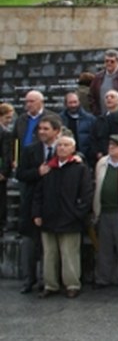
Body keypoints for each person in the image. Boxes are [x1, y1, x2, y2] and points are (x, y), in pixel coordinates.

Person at [33, 135, 92, 299]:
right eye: (59, 145)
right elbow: (38, 194)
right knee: (49, 254)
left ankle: (72, 284)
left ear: (73, 149)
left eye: (66, 145)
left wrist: (78, 214)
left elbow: (86, 194)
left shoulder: (80, 168)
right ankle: (50, 285)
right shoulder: (48, 168)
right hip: (49, 216)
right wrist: (37, 213)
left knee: (69, 254)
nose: (62, 148)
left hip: (70, 218)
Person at [16, 115, 62, 294]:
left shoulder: (63, 147)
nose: (41, 132)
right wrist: (38, 172)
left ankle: (47, 279)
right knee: (29, 243)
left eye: (46, 129)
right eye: (40, 129)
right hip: (31, 203)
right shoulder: (30, 150)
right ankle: (28, 279)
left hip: (53, 203)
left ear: (56, 131)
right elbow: (21, 174)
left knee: (49, 246)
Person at [92, 135, 118, 291]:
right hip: (104, 210)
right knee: (104, 248)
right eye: (110, 144)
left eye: (115, 146)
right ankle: (102, 278)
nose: (111, 148)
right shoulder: (102, 163)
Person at [59, 91, 96, 160]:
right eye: (70, 103)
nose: (73, 105)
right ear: (65, 104)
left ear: (79, 102)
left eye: (75, 102)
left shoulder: (90, 119)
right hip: (65, 156)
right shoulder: (60, 119)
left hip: (86, 157)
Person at [0, 103, 14, 233]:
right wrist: (4, 172)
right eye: (7, 118)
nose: (9, 121)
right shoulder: (5, 133)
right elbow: (6, 154)